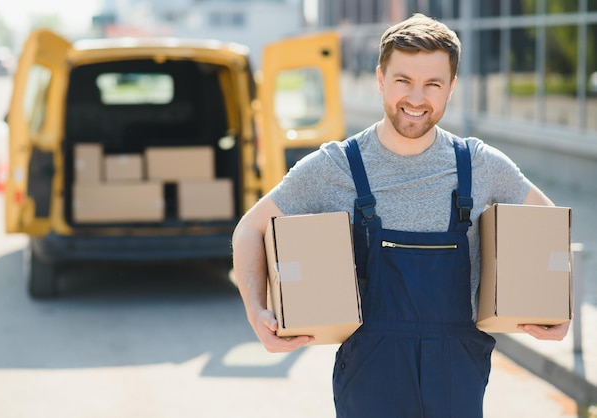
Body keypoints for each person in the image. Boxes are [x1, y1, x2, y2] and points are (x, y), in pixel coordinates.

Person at [232, 13, 570, 418]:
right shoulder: (335, 167)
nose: (416, 98)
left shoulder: (481, 165)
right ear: (380, 79)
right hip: (370, 372)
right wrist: (257, 312)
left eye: (432, 84)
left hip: (456, 372)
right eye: (402, 80)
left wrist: (555, 307)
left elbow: (549, 229)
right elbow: (249, 230)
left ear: (451, 89)